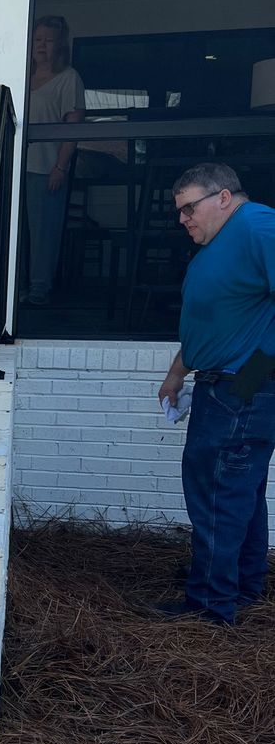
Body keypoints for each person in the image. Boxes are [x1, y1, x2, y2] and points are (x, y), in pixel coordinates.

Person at [154, 162, 275, 625]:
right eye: (179, 211)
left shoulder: (257, 225)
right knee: (239, 493)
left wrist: (251, 376)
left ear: (223, 197)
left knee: (217, 495)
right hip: (222, 385)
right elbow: (214, 319)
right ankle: (242, 585)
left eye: (190, 208)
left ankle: (209, 604)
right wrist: (177, 373)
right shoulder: (222, 241)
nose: (183, 219)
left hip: (240, 390)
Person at [23, 16, 85, 306]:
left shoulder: (68, 78)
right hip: (16, 169)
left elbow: (73, 128)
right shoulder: (21, 76)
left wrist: (60, 167)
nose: (41, 46)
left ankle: (39, 288)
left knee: (43, 232)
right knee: (18, 232)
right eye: (37, 40)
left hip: (46, 169)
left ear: (60, 45)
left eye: (48, 40)